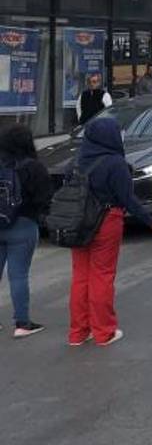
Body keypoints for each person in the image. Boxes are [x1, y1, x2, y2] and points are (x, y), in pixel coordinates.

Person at [67, 117, 152, 346]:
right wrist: (150, 222)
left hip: (78, 222)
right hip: (106, 221)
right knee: (102, 275)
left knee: (80, 276)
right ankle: (103, 331)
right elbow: (128, 199)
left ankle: (78, 332)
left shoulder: (77, 162)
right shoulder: (115, 163)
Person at [0, 124, 52, 338]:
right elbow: (44, 198)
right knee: (18, 275)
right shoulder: (34, 167)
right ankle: (22, 323)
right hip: (23, 224)